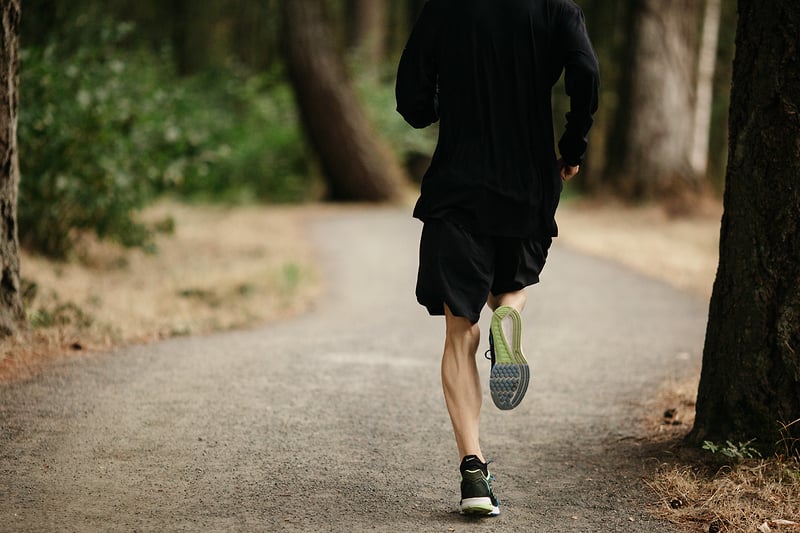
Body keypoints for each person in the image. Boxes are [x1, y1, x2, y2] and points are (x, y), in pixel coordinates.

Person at [396, 0, 600, 517]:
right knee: (512, 283)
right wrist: (572, 146)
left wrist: (441, 101)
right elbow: (586, 74)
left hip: (459, 187)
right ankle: (509, 315)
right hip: (529, 184)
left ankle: (474, 473)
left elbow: (412, 99)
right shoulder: (558, 9)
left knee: (459, 330)